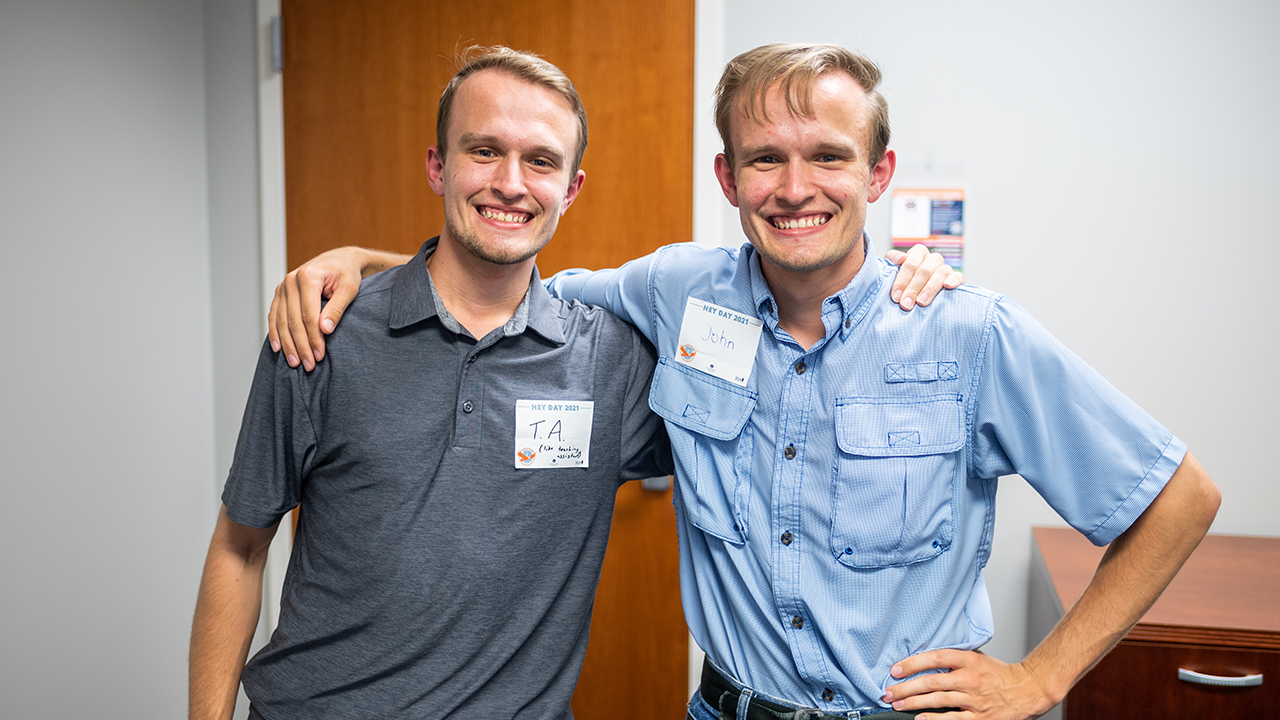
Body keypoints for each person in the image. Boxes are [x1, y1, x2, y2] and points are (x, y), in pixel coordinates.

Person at [269, 44, 1216, 720]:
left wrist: (1041, 679)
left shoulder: (967, 332)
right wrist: (364, 260)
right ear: (728, 178)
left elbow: (1179, 499)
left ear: (878, 174)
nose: (795, 187)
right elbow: (511, 283)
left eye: (828, 158)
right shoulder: (676, 289)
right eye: (766, 159)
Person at [188, 46, 684, 720]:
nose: (510, 183)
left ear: (570, 189)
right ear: (437, 166)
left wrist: (878, 286)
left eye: (540, 161)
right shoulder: (322, 329)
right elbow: (240, 548)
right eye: (483, 151)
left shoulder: (611, 360)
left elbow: (782, 413)